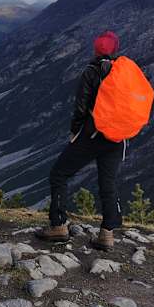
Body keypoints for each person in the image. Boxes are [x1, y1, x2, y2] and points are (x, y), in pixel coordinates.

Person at [36, 30, 124, 251]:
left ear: (96, 50)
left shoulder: (91, 72)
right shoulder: (123, 72)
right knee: (108, 183)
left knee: (59, 174)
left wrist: (75, 131)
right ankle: (107, 234)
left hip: (92, 135)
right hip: (117, 138)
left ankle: (58, 226)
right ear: (116, 49)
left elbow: (81, 107)